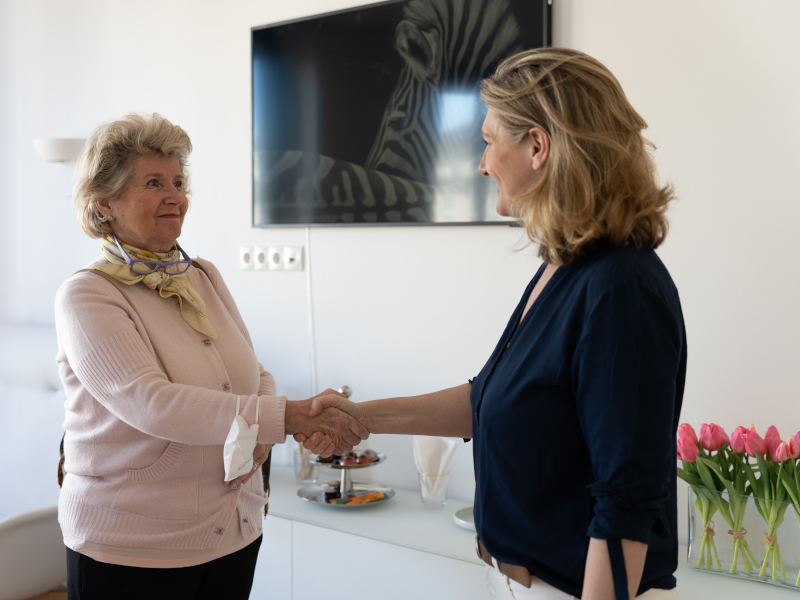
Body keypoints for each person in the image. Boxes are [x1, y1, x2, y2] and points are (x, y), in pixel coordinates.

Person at [299, 48, 686, 600]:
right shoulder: (563, 268)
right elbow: (488, 400)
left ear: (537, 146)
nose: (481, 165)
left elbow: (627, 500)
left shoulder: (622, 288)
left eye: (488, 140)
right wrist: (363, 417)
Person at [56, 113, 366, 600]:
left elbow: (255, 372)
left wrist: (265, 432)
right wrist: (284, 418)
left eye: (178, 182)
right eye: (153, 183)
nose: (175, 196)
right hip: (133, 545)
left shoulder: (203, 276)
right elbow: (152, 404)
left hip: (233, 530)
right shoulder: (87, 296)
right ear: (105, 203)